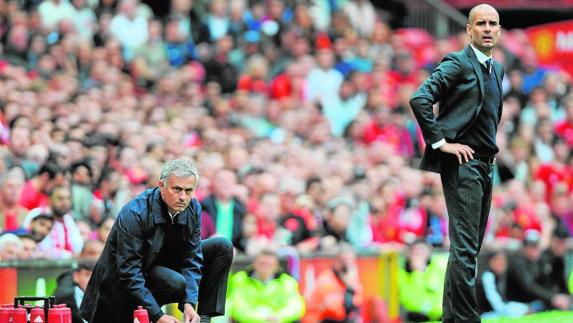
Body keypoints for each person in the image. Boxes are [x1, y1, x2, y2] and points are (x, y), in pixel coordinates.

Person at [408, 4, 503, 322]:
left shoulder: (496, 69)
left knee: (468, 248)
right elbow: (420, 98)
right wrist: (440, 143)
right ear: (469, 30)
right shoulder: (458, 62)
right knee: (464, 247)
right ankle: (465, 318)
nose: (487, 28)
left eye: (493, 23)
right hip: (464, 163)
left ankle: (453, 317)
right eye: (481, 23)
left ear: (499, 30)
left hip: (486, 165)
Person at [80, 159, 234, 323]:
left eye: (189, 191)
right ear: (161, 186)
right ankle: (145, 313)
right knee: (175, 282)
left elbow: (192, 257)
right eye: (177, 189)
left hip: (160, 263)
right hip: (121, 279)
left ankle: (203, 319)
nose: (183, 197)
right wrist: (157, 315)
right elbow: (129, 272)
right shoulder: (134, 213)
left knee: (222, 246)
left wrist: (189, 303)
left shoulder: (193, 207)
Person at [227, 248, 305, 323]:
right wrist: (262, 319)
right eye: (262, 263)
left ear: (276, 266)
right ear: (255, 263)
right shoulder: (240, 279)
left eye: (269, 264)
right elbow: (237, 306)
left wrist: (278, 317)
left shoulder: (287, 281)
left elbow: (296, 306)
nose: (265, 267)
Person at [304, 243, 363, 323]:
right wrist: (349, 288)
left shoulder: (352, 281)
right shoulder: (326, 281)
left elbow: (357, 304)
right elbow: (338, 313)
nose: (348, 267)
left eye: (351, 263)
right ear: (336, 261)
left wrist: (350, 286)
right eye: (344, 262)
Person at [398, 239, 447, 322]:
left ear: (429, 252)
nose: (418, 255)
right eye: (415, 251)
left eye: (421, 251)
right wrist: (417, 273)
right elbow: (412, 303)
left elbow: (441, 301)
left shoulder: (438, 268)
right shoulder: (401, 274)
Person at [476, 249, 530, 319]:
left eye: (503, 260)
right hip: (486, 314)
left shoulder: (500, 277)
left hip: (497, 311)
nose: (501, 263)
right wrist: (522, 309)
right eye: (498, 260)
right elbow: (497, 305)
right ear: (491, 262)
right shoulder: (487, 277)